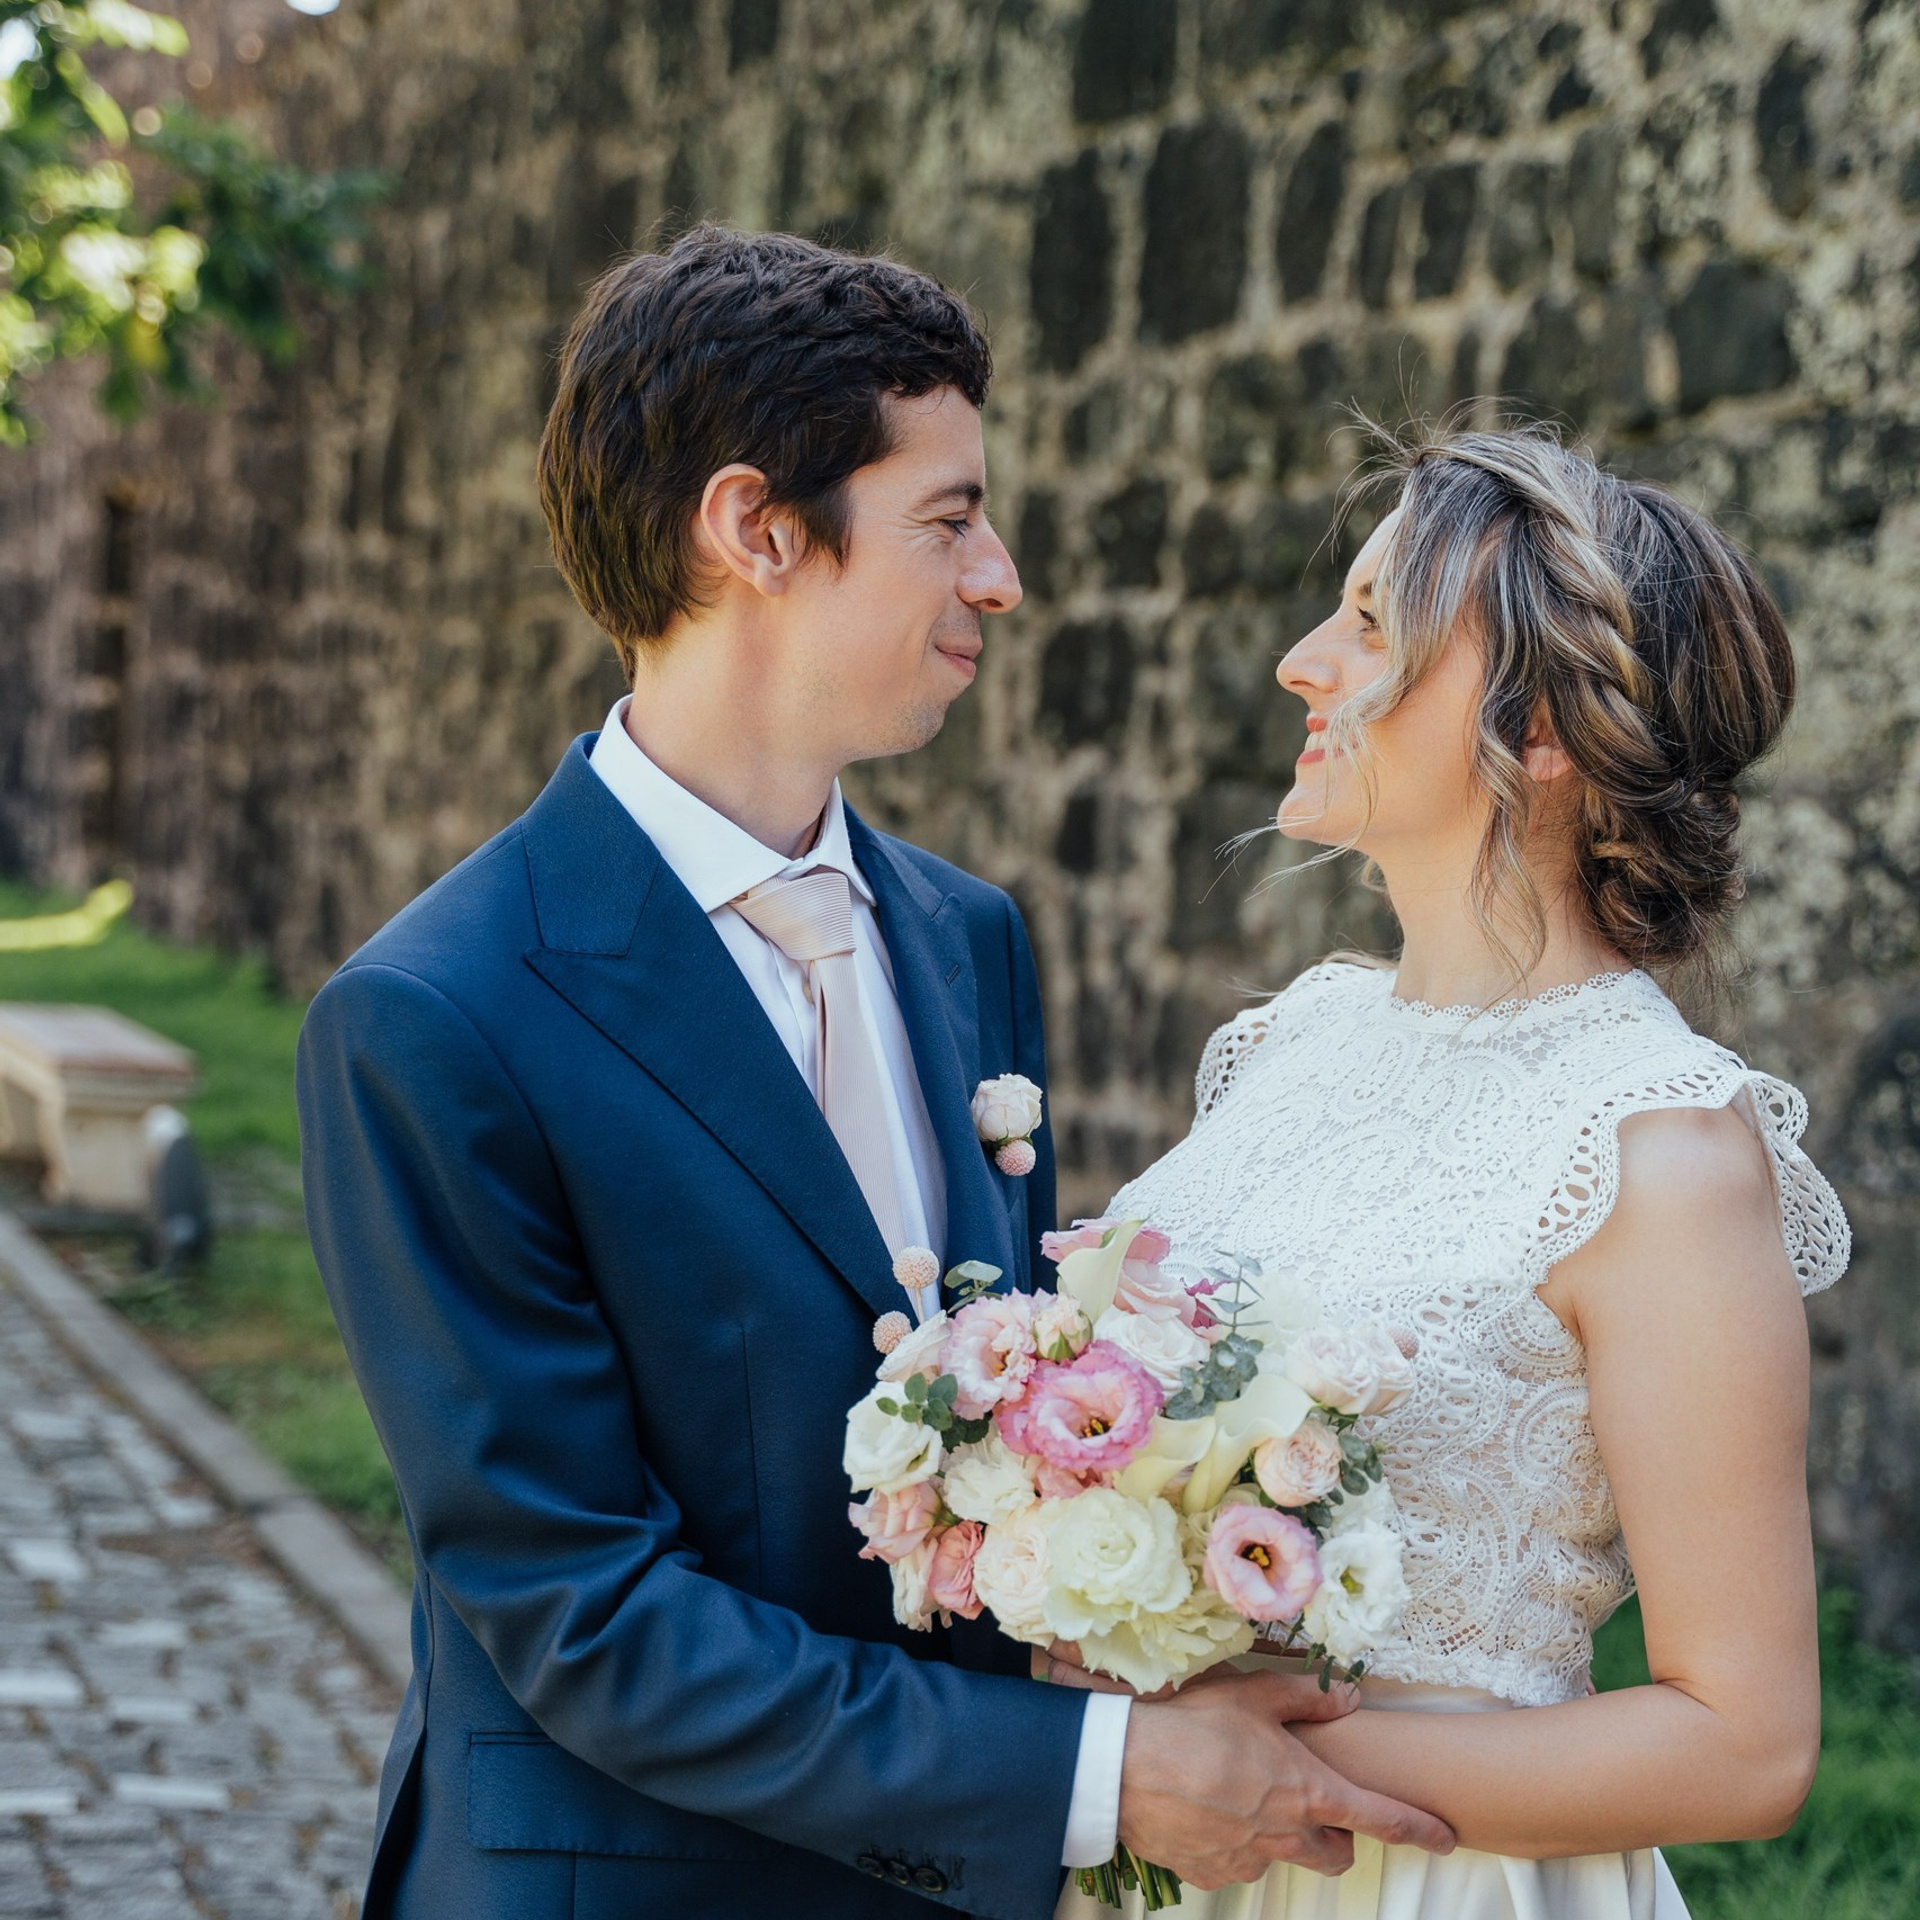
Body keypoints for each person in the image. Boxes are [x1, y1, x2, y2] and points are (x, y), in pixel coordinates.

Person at [295, 226, 1452, 1920]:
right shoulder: (435, 1018)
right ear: (758, 529)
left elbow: (1001, 1444)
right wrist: (1096, 1782)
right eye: (950, 515)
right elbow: (581, 1615)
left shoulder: (967, 938)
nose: (1001, 573)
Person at [1050, 423, 1849, 1919]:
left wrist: (1265, 1772)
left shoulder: (1662, 1146)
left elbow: (1747, 1747)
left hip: (1417, 1880)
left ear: (1542, 732)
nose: (1303, 662)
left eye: (1371, 626)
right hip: (1153, 1850)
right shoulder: (1296, 1043)